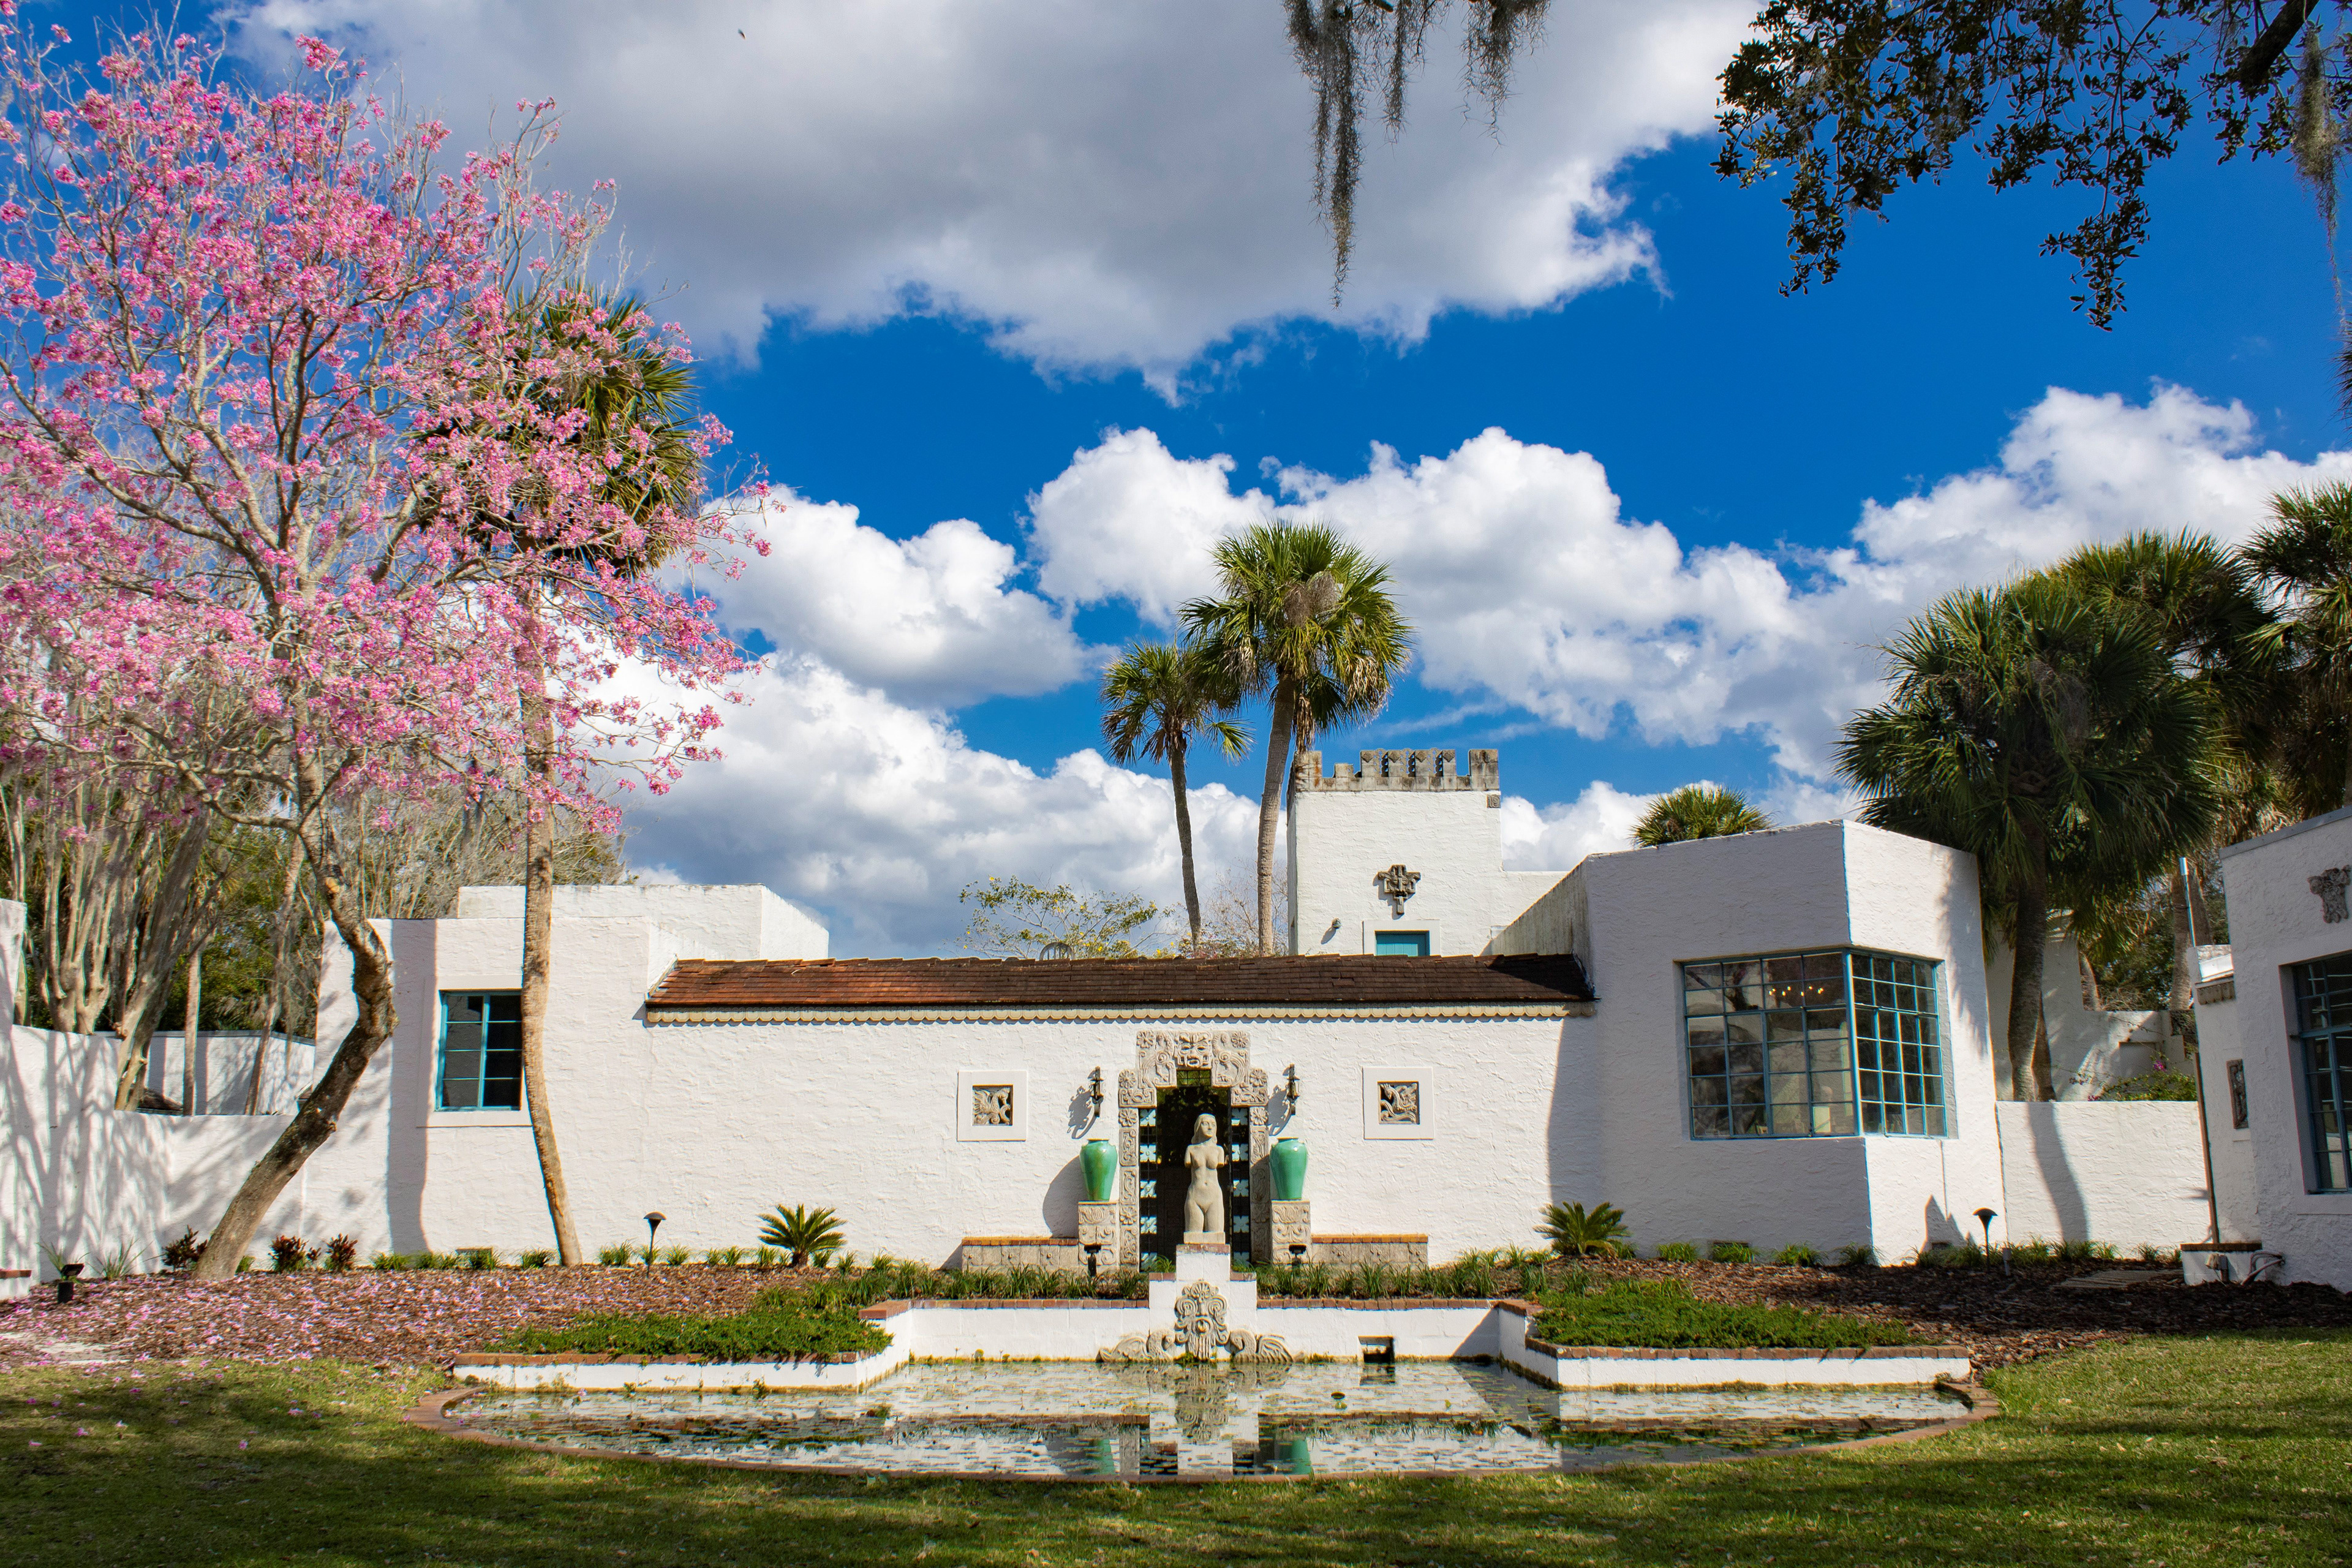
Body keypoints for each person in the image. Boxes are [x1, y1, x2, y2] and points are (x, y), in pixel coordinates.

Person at [1182, 1112, 1224, 1241]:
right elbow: (1188, 1163)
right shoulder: (1191, 1149)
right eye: (1206, 1124)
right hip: (1196, 1195)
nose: (1210, 1128)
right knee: (1192, 1238)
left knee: (1216, 1238)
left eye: (1213, 1125)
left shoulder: (1219, 1150)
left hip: (1214, 1197)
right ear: (1198, 1127)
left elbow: (1221, 1163)